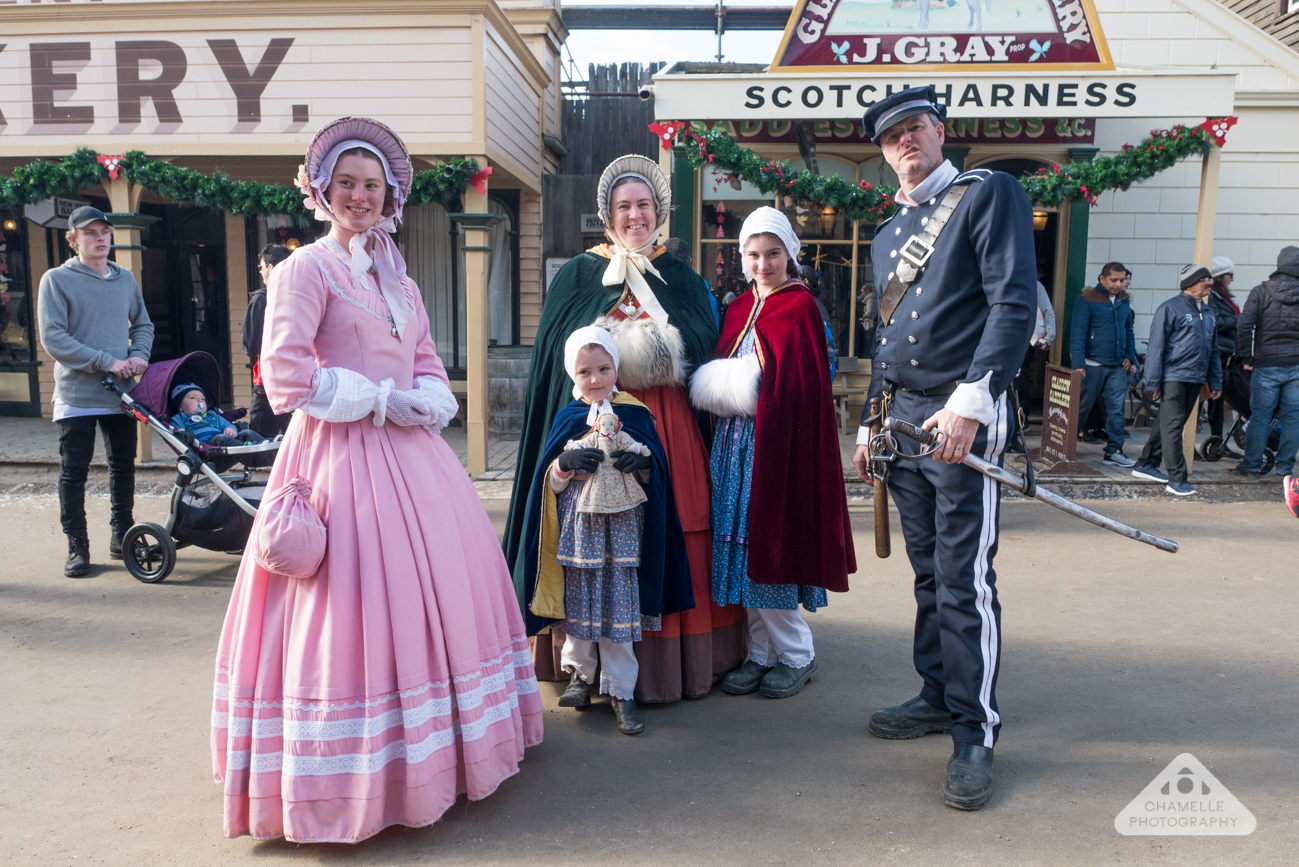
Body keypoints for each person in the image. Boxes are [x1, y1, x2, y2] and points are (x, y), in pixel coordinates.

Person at [211, 117, 542, 843]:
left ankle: (440, 755)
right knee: (348, 609)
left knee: (438, 596)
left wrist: (428, 398)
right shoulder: (304, 269)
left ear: (390, 195)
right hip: (337, 457)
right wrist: (375, 399)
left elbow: (423, 358)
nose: (359, 196)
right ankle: (346, 780)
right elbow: (287, 380)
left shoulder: (400, 276)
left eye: (372, 185)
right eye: (347, 184)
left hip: (414, 456)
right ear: (322, 189)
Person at [849, 86, 1037, 810]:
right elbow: (884, 339)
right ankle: (935, 693)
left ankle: (973, 731)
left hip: (961, 415)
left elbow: (1012, 301)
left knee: (963, 581)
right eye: (891, 135)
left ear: (938, 130)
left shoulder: (988, 194)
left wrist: (973, 399)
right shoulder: (885, 235)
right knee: (928, 574)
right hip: (903, 425)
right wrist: (868, 422)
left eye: (915, 127)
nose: (904, 142)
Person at [503, 154, 746, 703]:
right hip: (594, 417)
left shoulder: (682, 277)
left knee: (670, 519)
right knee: (584, 532)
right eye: (623, 206)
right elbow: (554, 358)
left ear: (660, 211)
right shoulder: (578, 275)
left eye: (644, 205)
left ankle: (663, 665)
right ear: (607, 213)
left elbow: (704, 344)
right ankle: (583, 664)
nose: (634, 215)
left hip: (664, 421)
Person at [691, 207, 855, 699]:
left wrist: (759, 390)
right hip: (734, 446)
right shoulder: (739, 307)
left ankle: (796, 654)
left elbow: (805, 385)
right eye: (755, 255)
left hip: (777, 445)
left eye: (773, 254)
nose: (764, 264)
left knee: (772, 545)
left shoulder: (800, 307)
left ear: (790, 255)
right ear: (743, 258)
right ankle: (761, 654)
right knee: (744, 550)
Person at [519, 326, 693, 735]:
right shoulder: (566, 419)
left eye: (603, 368)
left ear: (616, 367)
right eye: (585, 372)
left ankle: (622, 692)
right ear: (571, 374)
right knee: (580, 602)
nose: (595, 379)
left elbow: (658, 478)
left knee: (619, 607)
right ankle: (580, 676)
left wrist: (646, 467)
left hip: (625, 535)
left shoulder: (636, 413)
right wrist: (564, 464)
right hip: (580, 533)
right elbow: (550, 484)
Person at [36, 205, 154, 578]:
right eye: (90, 233)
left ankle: (122, 535)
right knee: (75, 473)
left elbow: (143, 324)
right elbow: (54, 339)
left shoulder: (124, 279)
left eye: (104, 231)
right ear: (73, 240)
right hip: (77, 397)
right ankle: (78, 547)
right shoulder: (56, 280)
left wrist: (138, 355)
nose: (100, 238)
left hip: (120, 393)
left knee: (123, 467)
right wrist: (106, 360)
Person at [1131, 265, 1223, 496]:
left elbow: (1214, 351)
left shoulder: (1210, 313)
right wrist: (1151, 383)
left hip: (1196, 377)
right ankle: (1177, 479)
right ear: (1189, 284)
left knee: (1170, 423)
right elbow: (1156, 348)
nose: (1209, 283)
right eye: (1204, 279)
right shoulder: (1170, 308)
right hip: (1173, 376)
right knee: (1173, 427)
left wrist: (1216, 381)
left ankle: (1146, 463)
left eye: (1210, 279)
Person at [1231, 246, 1299, 478]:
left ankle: (1250, 465)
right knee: (1293, 418)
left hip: (1266, 364)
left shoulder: (1260, 292)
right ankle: (1285, 469)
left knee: (1260, 416)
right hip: (1297, 364)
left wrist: (1247, 358)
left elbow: (1243, 327)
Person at [1069, 263, 1138, 466]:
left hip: (1117, 365)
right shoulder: (1086, 299)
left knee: (1116, 409)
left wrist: (1130, 356)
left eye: (1121, 279)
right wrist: (1078, 364)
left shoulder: (1124, 301)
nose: (1118, 284)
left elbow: (1129, 332)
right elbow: (1078, 333)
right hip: (1091, 364)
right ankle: (1064, 447)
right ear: (1102, 279)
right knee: (1081, 407)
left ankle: (1114, 451)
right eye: (1113, 280)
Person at [241, 244, 293, 437]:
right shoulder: (300, 298)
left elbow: (250, 344)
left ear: (271, 268)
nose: (260, 269)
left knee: (259, 441)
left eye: (261, 266)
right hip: (297, 381)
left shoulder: (262, 299)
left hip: (268, 381)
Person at [1011, 278, 1056, 445]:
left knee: (1019, 388)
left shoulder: (1034, 284)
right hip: (1002, 342)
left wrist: (1049, 336)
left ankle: (1016, 432)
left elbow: (1047, 311)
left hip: (1025, 343)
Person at [1205, 257, 1239, 442]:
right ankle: (1215, 439)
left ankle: (1217, 439)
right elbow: (1215, 322)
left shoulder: (1222, 298)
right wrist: (1238, 319)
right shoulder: (1212, 297)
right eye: (1230, 275)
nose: (1232, 279)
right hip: (1217, 353)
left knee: (1218, 399)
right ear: (1220, 277)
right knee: (1214, 398)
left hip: (1226, 352)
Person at [169, 383, 267, 447]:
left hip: (225, 438)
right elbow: (177, 431)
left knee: (248, 433)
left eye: (202, 399)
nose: (199, 400)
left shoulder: (211, 415)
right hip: (208, 444)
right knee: (223, 439)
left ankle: (266, 444)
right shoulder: (180, 418)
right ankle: (247, 446)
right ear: (180, 406)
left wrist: (230, 428)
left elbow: (226, 424)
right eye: (192, 398)